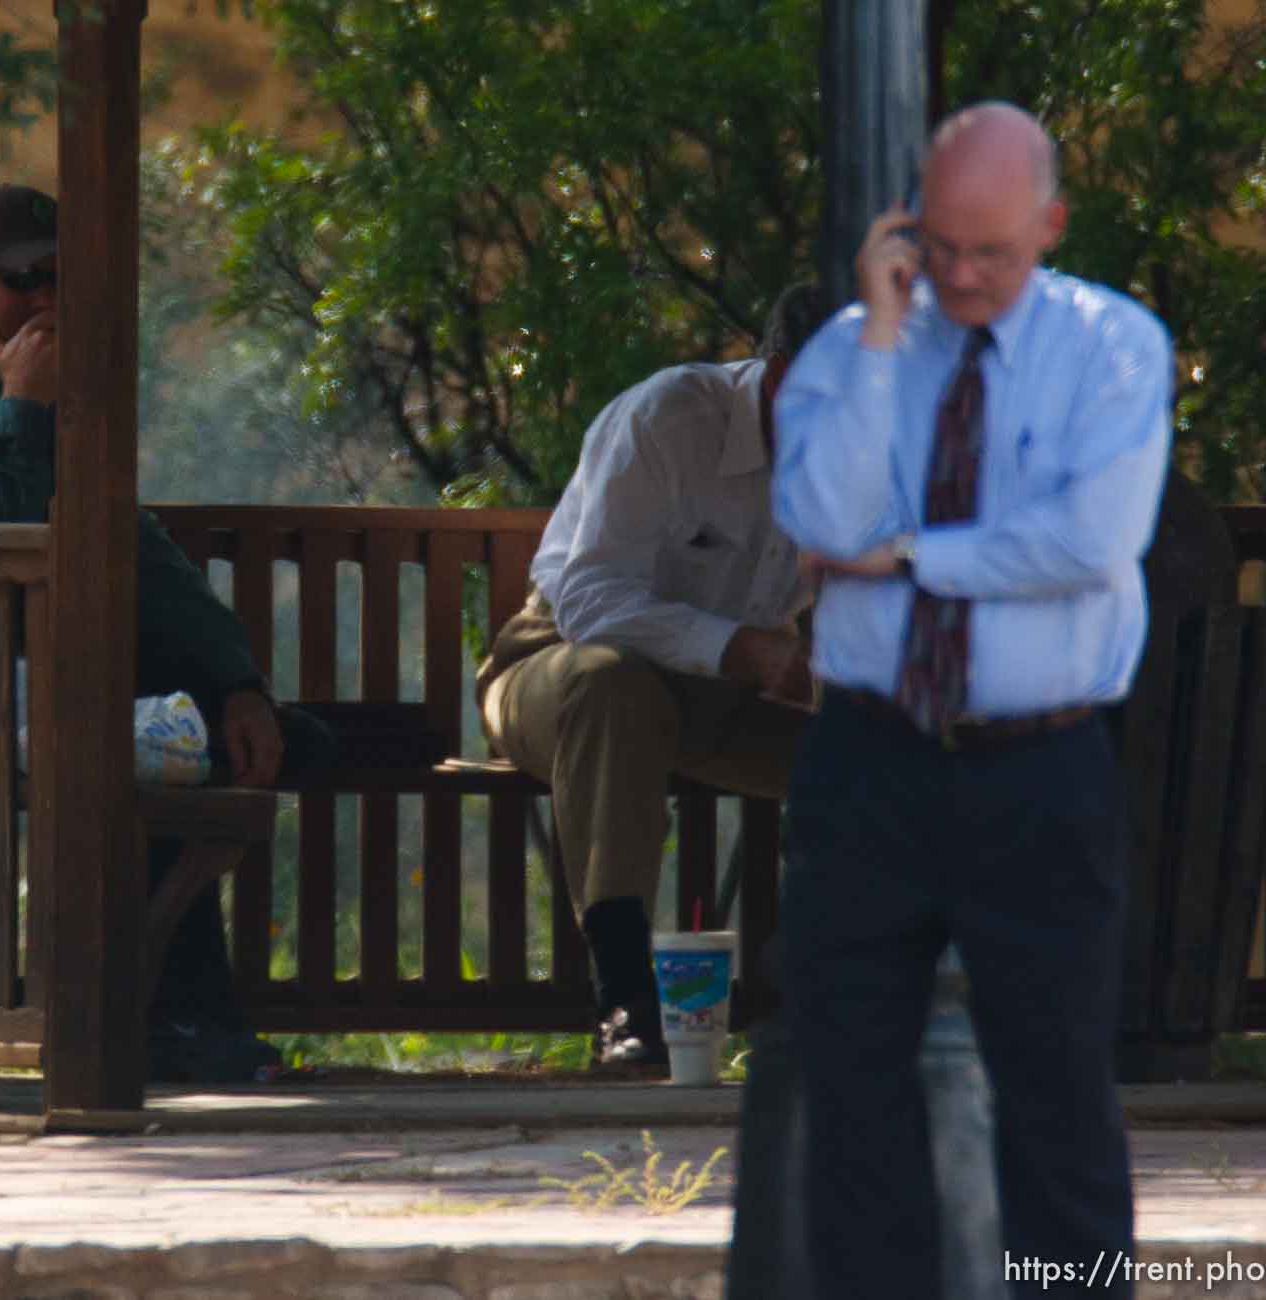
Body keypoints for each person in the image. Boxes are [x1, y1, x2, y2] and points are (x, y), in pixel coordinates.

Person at [0, 183, 332, 1084]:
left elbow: (137, 546)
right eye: (25, 281)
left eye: (67, 281)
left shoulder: (63, 399)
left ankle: (175, 1016)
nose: (48, 302)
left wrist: (239, 682)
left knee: (252, 739)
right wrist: (25, 411)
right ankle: (170, 1021)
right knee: (141, 747)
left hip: (13, 690)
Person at [771, 102, 1170, 1298]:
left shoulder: (1113, 347)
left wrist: (908, 557)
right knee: (852, 1087)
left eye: (991, 251)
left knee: (1054, 1089)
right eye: (939, 246)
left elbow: (1088, 541)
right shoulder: (852, 352)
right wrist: (886, 337)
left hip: (1037, 763)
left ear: (1049, 226)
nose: (962, 274)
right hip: (869, 756)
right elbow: (822, 524)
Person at [474, 284, 829, 1071]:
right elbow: (588, 599)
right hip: (556, 665)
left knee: (881, 743)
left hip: (723, 698)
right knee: (615, 688)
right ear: (778, 376)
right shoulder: (670, 417)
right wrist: (745, 649)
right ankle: (626, 1001)